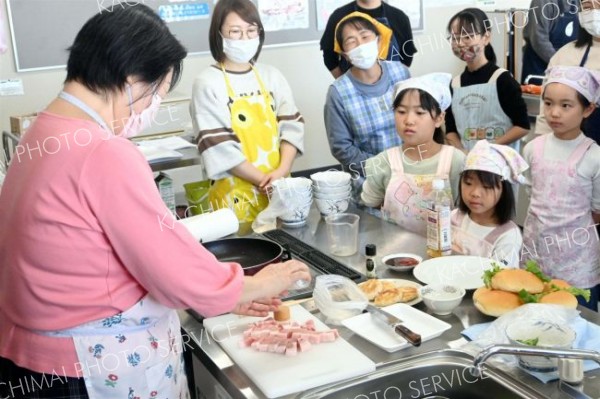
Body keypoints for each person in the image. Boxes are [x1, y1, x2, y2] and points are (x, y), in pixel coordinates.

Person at [0, 4, 311, 399]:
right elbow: (168, 265)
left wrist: (220, 293)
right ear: (131, 77)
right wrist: (251, 284)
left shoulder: (40, 134)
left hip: (32, 359)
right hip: (90, 369)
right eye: (157, 94)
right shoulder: (102, 151)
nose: (152, 109)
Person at [191, 0, 305, 223]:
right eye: (235, 32)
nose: (245, 38)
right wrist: (265, 181)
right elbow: (219, 146)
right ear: (219, 34)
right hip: (234, 198)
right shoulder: (207, 82)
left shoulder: (272, 75)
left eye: (251, 31)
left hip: (281, 190)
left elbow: (292, 126)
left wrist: (281, 172)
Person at [522, 65, 600, 311]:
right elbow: (532, 194)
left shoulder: (593, 156)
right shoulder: (533, 148)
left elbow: (597, 213)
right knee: (531, 321)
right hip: (535, 257)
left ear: (588, 109)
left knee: (578, 328)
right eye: (548, 103)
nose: (554, 113)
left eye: (566, 105)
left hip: (577, 265)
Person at [360, 73, 466, 236]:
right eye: (401, 111)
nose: (409, 120)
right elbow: (370, 202)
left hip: (443, 256)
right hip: (393, 254)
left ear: (439, 118)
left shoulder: (456, 161)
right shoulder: (383, 162)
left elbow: (466, 213)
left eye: (419, 113)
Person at [324, 12, 410, 189]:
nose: (360, 45)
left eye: (365, 36)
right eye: (351, 41)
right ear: (345, 54)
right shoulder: (338, 92)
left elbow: (418, 119)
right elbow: (342, 148)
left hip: (410, 173)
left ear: (378, 41)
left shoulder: (401, 73)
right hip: (368, 183)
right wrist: (384, 168)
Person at [444, 8, 530, 153]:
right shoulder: (454, 84)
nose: (459, 43)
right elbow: (450, 130)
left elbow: (522, 126)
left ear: (486, 37)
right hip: (467, 163)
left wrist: (488, 149)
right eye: (454, 38)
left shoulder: (502, 80)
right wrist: (461, 152)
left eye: (467, 37)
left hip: (499, 163)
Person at [452, 140, 528, 267]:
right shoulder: (454, 217)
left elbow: (499, 279)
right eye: (468, 183)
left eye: (487, 186)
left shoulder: (508, 236)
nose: (475, 193)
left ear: (503, 190)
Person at [535, 0, 600, 144]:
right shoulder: (564, 55)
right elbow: (545, 112)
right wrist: (541, 146)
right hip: (566, 150)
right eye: (588, 7)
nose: (595, 13)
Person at [320, 0, 417, 78]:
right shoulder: (339, 16)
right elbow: (329, 58)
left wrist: (395, 80)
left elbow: (407, 54)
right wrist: (348, 84)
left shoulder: (399, 17)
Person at [521, 0, 579, 83]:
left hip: (566, 67)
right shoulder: (542, 2)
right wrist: (561, 64)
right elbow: (539, 39)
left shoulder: (576, 2)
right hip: (540, 66)